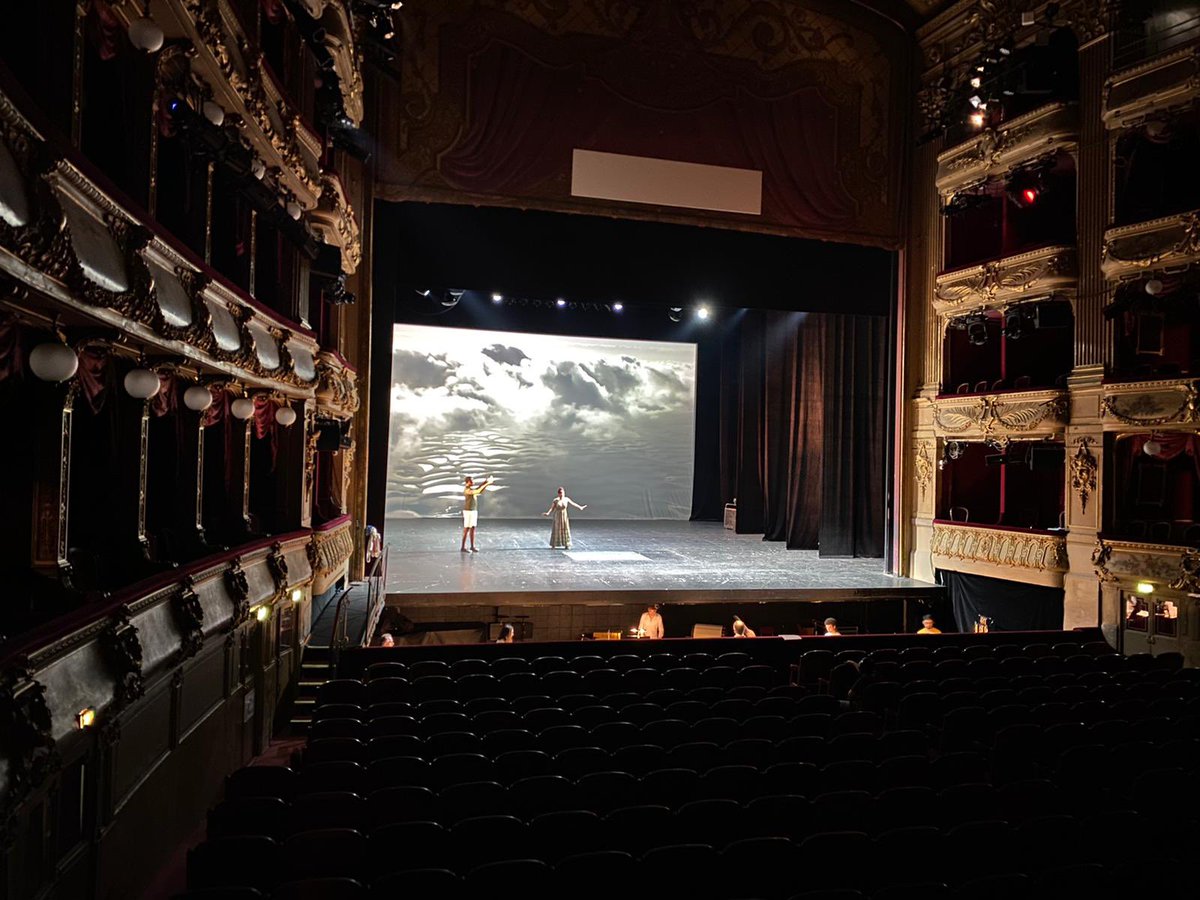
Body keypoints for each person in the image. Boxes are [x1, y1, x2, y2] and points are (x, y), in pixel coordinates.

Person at [460, 475, 494, 552]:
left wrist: (486, 483)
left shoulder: (471, 489)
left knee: (473, 528)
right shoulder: (467, 490)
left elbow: (480, 491)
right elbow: (478, 491)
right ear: (467, 482)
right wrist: (486, 483)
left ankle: (472, 546)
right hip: (468, 511)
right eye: (471, 481)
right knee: (467, 528)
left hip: (473, 511)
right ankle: (463, 547)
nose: (473, 482)